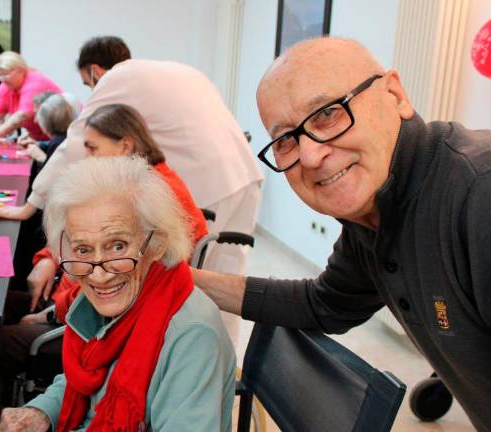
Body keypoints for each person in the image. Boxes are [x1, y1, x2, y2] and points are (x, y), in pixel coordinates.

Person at [192, 37, 491, 431]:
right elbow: (323, 304)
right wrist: (186, 281)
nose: (312, 156)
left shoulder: (478, 197)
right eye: (286, 140)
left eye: (328, 114)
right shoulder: (371, 219)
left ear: (395, 95)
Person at [0, 36, 263, 346]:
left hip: (207, 184)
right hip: (241, 171)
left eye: (89, 84)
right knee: (221, 290)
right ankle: (219, 366)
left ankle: (205, 368)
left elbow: (72, 146)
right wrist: (51, 256)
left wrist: (29, 206)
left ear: (95, 72)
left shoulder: (120, 85)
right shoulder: (166, 72)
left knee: (207, 290)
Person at [0, 156, 236, 431]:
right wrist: (41, 412)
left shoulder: (192, 335)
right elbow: (84, 379)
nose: (99, 274)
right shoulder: (111, 297)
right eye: (83, 250)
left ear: (156, 243)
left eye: (118, 246)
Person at [0, 105, 210, 404]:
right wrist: (49, 256)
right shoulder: (128, 190)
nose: (88, 158)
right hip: (75, 299)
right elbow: (84, 233)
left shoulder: (148, 195)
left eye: (93, 148)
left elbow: (119, 282)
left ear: (125, 145)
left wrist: (48, 313)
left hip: (92, 315)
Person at [0, 51, 62, 143]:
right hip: (40, 138)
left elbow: (22, 116)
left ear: (19, 71)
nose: (2, 80)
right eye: (0, 76)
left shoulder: (34, 82)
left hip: (60, 136)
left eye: (6, 76)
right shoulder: (5, 87)